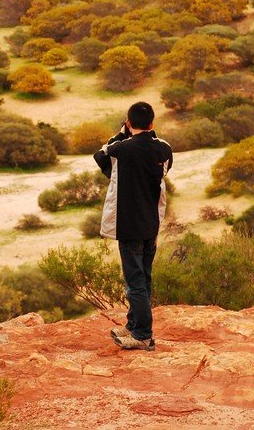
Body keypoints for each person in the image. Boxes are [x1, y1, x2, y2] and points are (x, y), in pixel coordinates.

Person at [93, 101, 173, 351]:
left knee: (134, 282)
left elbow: (100, 155)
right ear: (152, 123)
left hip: (128, 225)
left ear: (129, 123)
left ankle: (143, 335)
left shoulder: (121, 150)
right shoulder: (164, 150)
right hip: (151, 224)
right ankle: (134, 324)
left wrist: (121, 133)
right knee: (144, 279)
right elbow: (158, 154)